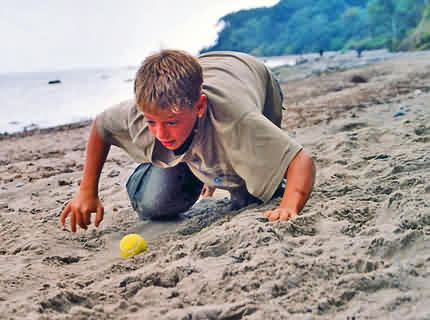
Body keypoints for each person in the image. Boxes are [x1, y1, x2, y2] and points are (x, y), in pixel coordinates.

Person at [60, 49, 316, 232]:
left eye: (171, 123)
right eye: (151, 122)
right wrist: (87, 191)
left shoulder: (238, 119)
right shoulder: (149, 109)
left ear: (200, 105)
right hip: (200, 102)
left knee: (252, 197)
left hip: (253, 79)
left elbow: (301, 160)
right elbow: (101, 126)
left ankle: (225, 168)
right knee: (153, 205)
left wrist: (289, 206)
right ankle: (197, 166)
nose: (160, 133)